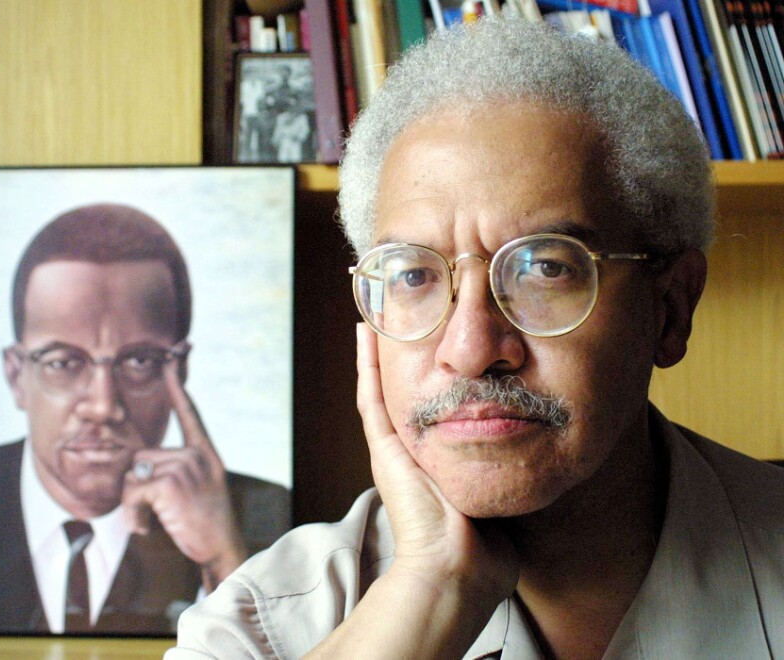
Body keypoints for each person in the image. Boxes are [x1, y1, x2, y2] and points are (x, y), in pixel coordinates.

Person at [166, 17, 784, 659]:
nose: (470, 346)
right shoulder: (260, 627)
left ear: (671, 308)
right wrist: (430, 587)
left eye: (546, 267)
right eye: (411, 275)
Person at [0, 204, 290, 634]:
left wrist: (223, 559)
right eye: (63, 362)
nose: (103, 405)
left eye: (140, 361)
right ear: (15, 376)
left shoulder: (257, 515)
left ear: (179, 372)